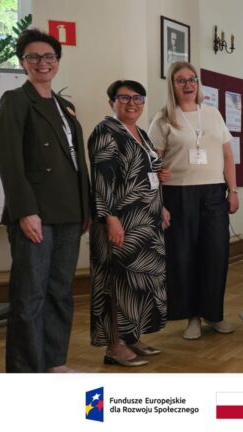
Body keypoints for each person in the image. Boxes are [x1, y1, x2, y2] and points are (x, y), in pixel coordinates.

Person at [0, 29, 91, 373]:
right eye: (33, 57)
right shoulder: (15, 100)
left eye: (49, 56)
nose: (42, 62)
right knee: (29, 297)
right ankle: (26, 374)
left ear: (57, 61)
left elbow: (77, 162)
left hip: (69, 213)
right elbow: (9, 161)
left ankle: (54, 363)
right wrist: (25, 211)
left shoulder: (65, 107)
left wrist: (85, 208)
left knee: (59, 293)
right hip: (36, 214)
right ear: (23, 62)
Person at [148, 61, 239, 340]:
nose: (188, 85)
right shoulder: (163, 118)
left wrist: (233, 190)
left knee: (215, 255)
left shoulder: (212, 114)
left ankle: (214, 314)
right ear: (172, 85)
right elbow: (152, 164)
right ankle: (192, 318)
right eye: (181, 80)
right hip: (178, 195)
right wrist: (158, 203)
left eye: (192, 79)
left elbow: (227, 155)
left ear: (198, 84)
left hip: (213, 194)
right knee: (184, 258)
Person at [88, 80, 170, 367]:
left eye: (138, 98)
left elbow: (147, 173)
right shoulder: (105, 132)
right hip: (121, 222)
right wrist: (110, 218)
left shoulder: (140, 133)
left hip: (146, 221)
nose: (132, 103)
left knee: (138, 282)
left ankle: (131, 337)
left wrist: (162, 206)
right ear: (112, 102)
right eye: (124, 98)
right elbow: (102, 180)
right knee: (117, 282)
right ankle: (115, 346)